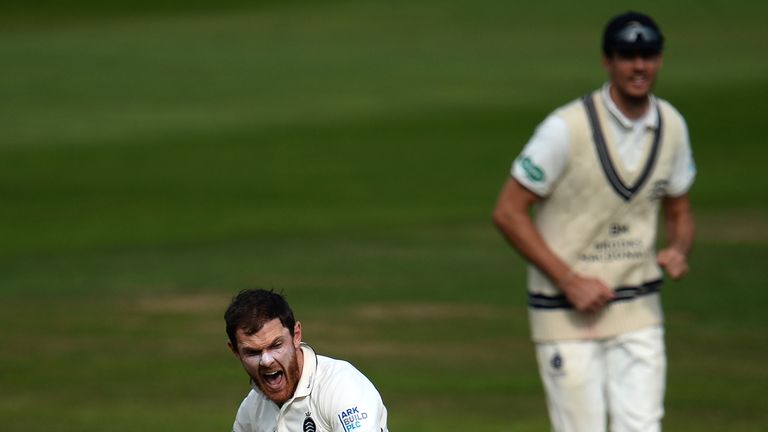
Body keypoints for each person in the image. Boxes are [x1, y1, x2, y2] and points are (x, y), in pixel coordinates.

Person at [492, 11, 696, 432]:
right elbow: (508, 211)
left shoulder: (672, 125)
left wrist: (678, 247)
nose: (639, 66)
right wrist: (569, 280)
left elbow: (680, 209)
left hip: (638, 306)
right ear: (608, 61)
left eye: (648, 55)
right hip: (565, 312)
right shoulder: (565, 128)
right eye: (627, 55)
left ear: (659, 59)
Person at [224, 288, 389, 432]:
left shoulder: (342, 387)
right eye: (253, 352)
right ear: (236, 351)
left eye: (276, 345)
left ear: (296, 336)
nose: (266, 361)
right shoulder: (251, 410)